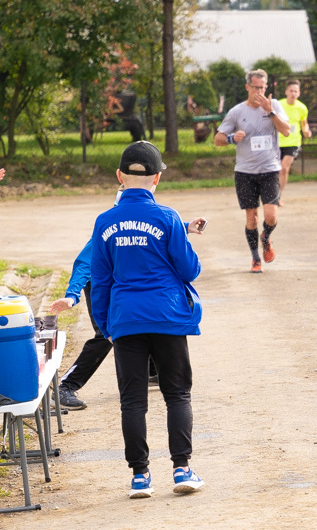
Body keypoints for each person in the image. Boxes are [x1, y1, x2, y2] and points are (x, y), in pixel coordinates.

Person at [90, 141, 205, 498]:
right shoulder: (167, 217)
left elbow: (101, 280)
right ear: (157, 178)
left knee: (133, 401)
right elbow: (190, 269)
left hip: (125, 320)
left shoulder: (104, 221)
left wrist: (107, 326)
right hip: (168, 316)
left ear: (119, 177)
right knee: (177, 394)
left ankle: (140, 476)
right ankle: (182, 469)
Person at [50, 187, 206, 411]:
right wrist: (72, 296)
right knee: (107, 334)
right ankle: (65, 386)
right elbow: (85, 264)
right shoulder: (108, 226)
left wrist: (185, 228)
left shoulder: (134, 218)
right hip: (98, 286)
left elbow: (151, 233)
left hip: (120, 288)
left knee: (142, 322)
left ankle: (152, 372)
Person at [214, 69, 291, 273]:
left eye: (263, 88)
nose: (259, 91)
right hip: (245, 172)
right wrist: (231, 138)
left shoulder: (274, 106)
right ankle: (255, 258)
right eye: (256, 87)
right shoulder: (237, 112)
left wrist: (270, 111)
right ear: (248, 87)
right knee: (251, 218)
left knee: (271, 215)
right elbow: (218, 139)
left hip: (270, 169)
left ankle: (265, 237)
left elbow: (286, 131)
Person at [277, 79, 312, 203]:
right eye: (291, 91)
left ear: (299, 93)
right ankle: (270, 193)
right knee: (274, 170)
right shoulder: (278, 105)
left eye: (295, 91)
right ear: (286, 92)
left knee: (284, 168)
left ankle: (278, 196)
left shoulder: (302, 108)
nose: (293, 93)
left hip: (293, 142)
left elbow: (304, 124)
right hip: (277, 142)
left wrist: (307, 131)